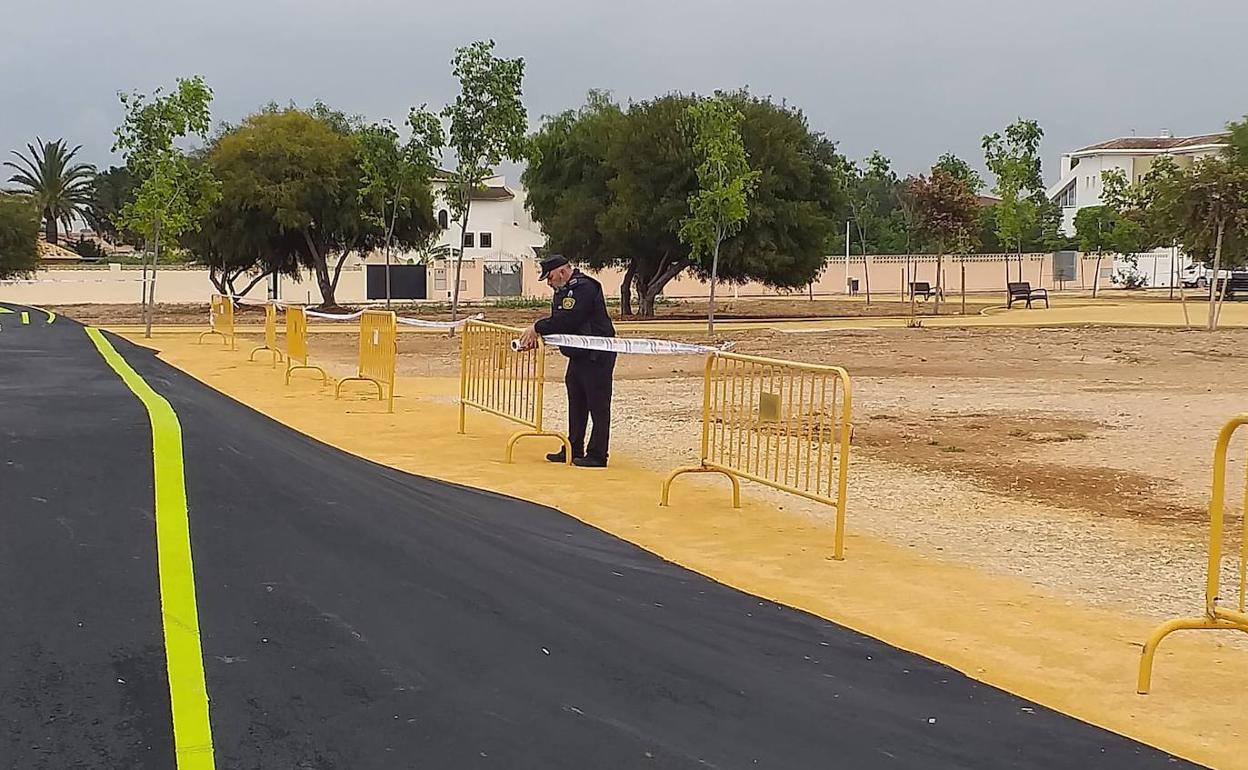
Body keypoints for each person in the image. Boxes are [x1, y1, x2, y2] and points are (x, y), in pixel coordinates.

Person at [518, 255, 616, 467]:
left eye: (550, 277)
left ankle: (598, 454)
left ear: (562, 272)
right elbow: (562, 324)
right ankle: (573, 447)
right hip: (579, 354)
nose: (549, 282)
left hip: (596, 354)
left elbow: (569, 319)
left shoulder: (584, 288)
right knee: (577, 400)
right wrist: (541, 337)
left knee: (597, 404)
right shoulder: (562, 292)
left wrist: (537, 328)